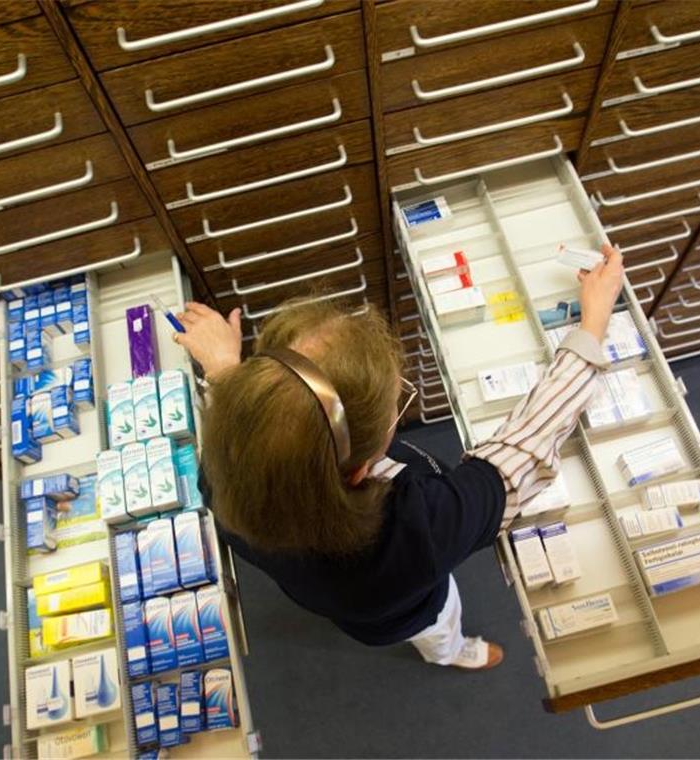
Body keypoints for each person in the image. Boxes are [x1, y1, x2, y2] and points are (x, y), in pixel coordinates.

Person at [172, 243, 624, 670]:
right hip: (407, 612)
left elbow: (251, 426)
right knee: (438, 630)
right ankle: (451, 653)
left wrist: (224, 370)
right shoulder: (415, 532)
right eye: (395, 405)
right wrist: (593, 326)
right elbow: (523, 448)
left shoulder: (224, 478)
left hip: (335, 603)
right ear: (360, 470)